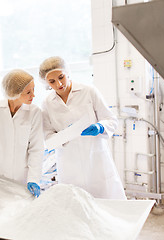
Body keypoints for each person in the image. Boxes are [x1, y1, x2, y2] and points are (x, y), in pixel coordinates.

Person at [39, 56, 126, 200]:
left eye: (61, 77)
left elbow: (111, 119)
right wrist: (65, 135)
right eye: (52, 81)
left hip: (95, 156)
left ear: (67, 73)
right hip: (68, 161)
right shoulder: (47, 103)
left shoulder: (88, 91)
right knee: (76, 204)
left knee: (106, 200)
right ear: (46, 83)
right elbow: (48, 137)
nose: (59, 84)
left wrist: (100, 126)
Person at [0, 69, 44, 197]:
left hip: (23, 176)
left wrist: (33, 179)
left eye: (33, 89)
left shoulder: (35, 112)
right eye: (28, 92)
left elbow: (36, 148)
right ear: (15, 93)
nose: (33, 95)